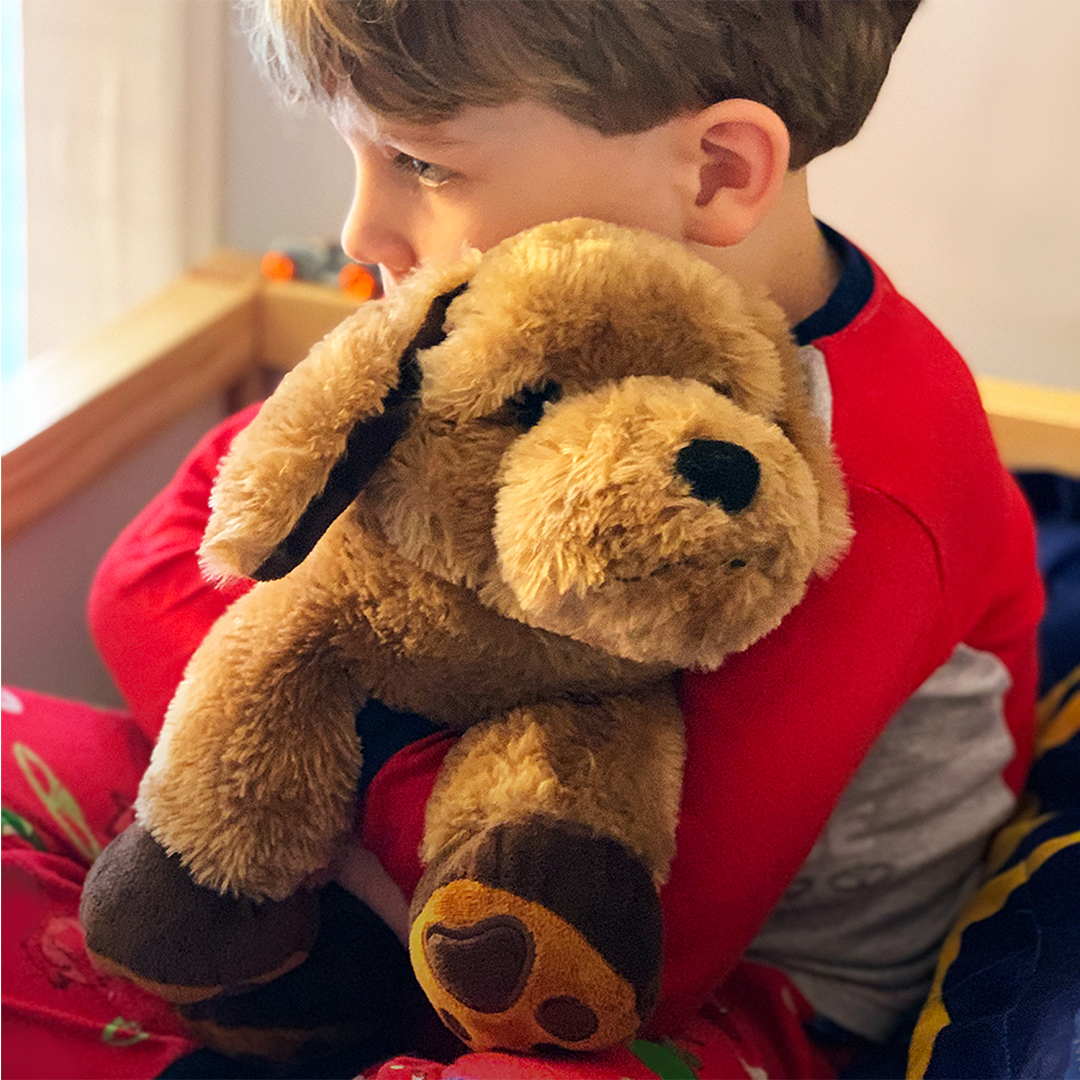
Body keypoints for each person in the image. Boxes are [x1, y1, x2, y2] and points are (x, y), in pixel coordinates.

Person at [2, 3, 1045, 1078]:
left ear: (719, 172)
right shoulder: (470, 308)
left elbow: (646, 944)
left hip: (751, 996)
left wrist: (344, 772)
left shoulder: (867, 483)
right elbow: (153, 567)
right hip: (400, 830)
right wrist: (278, 732)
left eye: (421, 161)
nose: (362, 230)